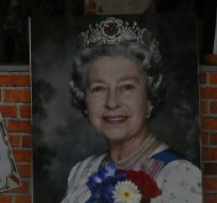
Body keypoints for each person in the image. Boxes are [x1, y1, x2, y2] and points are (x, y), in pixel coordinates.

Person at [62, 17, 202, 203]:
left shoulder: (179, 175)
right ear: (85, 100)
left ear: (149, 99)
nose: (112, 102)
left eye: (127, 87)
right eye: (99, 88)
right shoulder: (81, 171)